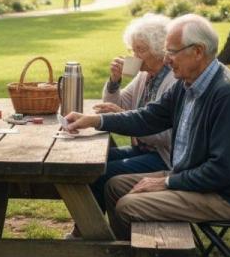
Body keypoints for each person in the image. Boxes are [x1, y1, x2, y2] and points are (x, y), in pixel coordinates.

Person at [65, 14, 230, 257]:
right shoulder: (187, 83)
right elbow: (148, 117)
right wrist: (97, 119)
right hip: (191, 177)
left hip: (224, 195)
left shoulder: (227, 94)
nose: (166, 59)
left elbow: (222, 171)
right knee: (114, 186)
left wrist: (167, 182)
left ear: (198, 52)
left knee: (128, 202)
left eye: (171, 52)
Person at [66, 14, 178, 239]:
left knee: (101, 172)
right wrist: (114, 81)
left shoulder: (172, 81)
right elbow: (115, 105)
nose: (135, 56)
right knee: (93, 163)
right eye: (133, 49)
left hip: (164, 157)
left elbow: (166, 135)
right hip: (143, 150)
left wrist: (125, 118)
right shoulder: (145, 76)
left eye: (141, 50)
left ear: (159, 50)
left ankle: (88, 232)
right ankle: (87, 229)